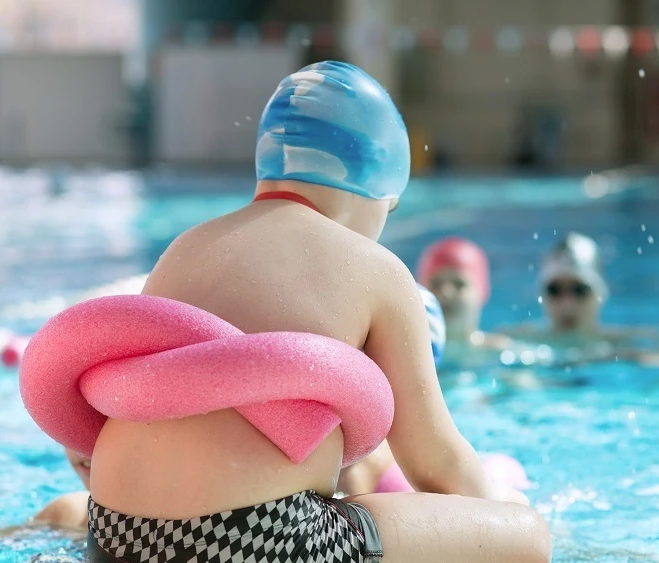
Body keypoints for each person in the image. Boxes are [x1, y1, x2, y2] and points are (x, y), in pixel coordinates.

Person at [87, 61, 549, 562]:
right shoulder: (376, 269)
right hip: (251, 538)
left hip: (112, 531)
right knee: (525, 536)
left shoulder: (185, 248)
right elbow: (436, 464)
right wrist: (499, 505)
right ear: (377, 186)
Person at [505, 232, 659, 376]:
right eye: (555, 290)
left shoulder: (634, 340)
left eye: (579, 290)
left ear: (599, 294)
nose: (567, 302)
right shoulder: (515, 340)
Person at [415, 237, 511, 360]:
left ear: (482, 292)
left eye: (459, 284)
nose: (446, 293)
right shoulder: (408, 353)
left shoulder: (500, 353)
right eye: (436, 284)